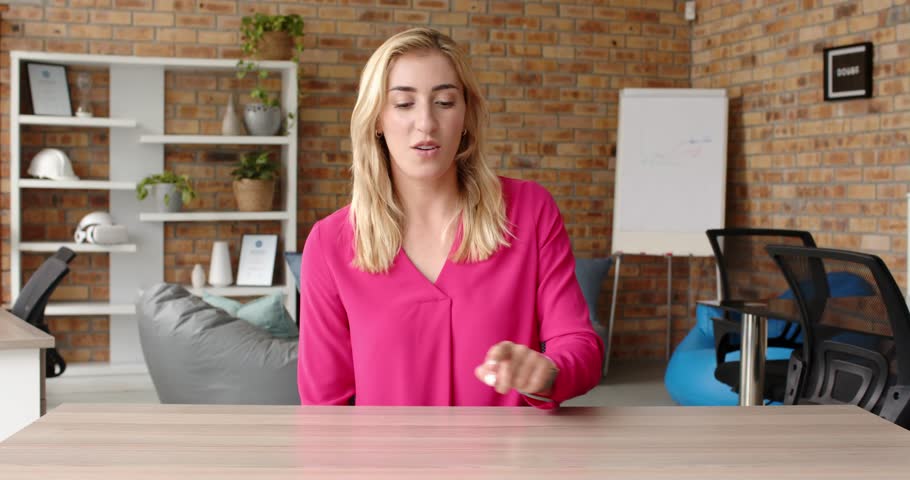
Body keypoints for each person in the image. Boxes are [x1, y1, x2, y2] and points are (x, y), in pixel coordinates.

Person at [297, 27, 603, 408]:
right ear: (377, 119)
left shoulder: (531, 210)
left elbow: (580, 345)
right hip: (387, 467)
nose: (426, 123)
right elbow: (325, 408)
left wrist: (547, 372)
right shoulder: (330, 242)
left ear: (466, 116)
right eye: (404, 104)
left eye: (443, 102)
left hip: (508, 465)